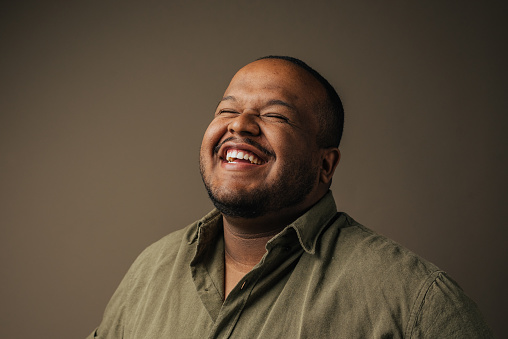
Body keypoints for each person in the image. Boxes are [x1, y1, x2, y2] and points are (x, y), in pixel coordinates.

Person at [87, 56, 492, 338]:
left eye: (276, 115)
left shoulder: (417, 303)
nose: (240, 125)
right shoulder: (150, 270)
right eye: (226, 110)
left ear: (325, 165)